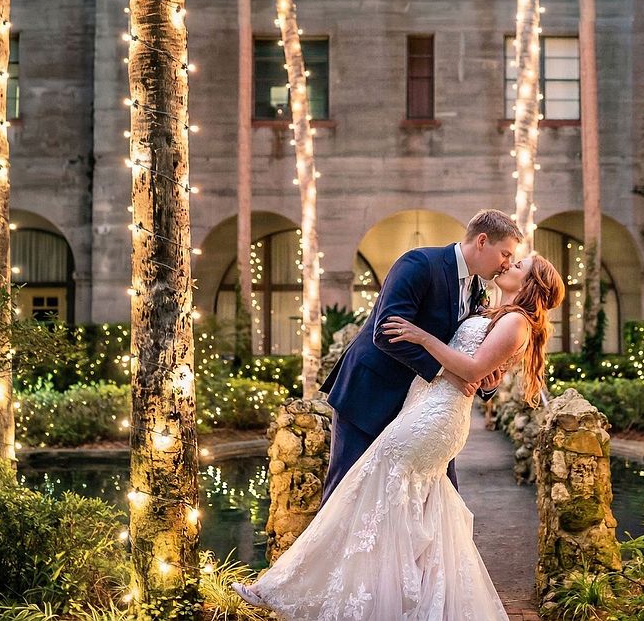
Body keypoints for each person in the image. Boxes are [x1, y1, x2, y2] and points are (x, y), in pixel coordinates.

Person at [233, 252, 566, 619]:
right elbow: (478, 366)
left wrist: (422, 338)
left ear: (530, 284)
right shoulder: (492, 309)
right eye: (509, 257)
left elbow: (472, 370)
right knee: (398, 503)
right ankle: (404, 601)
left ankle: (306, 590)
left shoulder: (516, 321)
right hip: (420, 407)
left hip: (435, 418)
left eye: (518, 265)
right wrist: (478, 372)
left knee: (367, 492)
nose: (508, 264)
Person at [318, 209, 522, 501]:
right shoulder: (420, 264)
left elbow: (462, 347)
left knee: (433, 499)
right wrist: (446, 373)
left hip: (425, 409)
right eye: (505, 254)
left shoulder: (477, 287)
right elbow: (386, 332)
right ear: (481, 241)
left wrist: (486, 383)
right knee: (346, 494)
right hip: (370, 395)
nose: (507, 264)